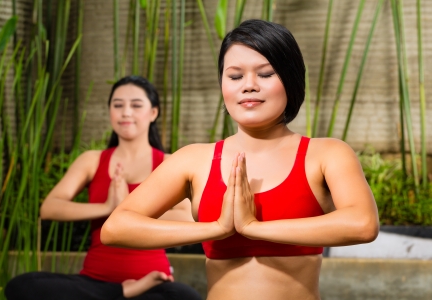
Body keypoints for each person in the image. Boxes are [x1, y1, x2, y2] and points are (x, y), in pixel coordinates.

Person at [101, 19, 380, 300]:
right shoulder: (193, 159)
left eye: (266, 74)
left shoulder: (326, 154)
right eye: (235, 76)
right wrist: (217, 228)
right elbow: (116, 228)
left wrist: (253, 228)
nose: (249, 86)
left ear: (291, 79)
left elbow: (363, 224)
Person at [5, 76, 202, 300]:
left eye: (136, 105)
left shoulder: (168, 163)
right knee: (22, 286)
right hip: (95, 282)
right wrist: (108, 207)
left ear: (153, 113)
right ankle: (121, 292)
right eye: (118, 105)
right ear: (110, 112)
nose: (126, 112)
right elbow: (50, 208)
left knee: (186, 298)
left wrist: (127, 209)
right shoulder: (92, 160)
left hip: (152, 283)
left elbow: (188, 219)